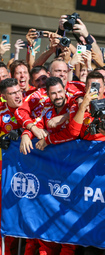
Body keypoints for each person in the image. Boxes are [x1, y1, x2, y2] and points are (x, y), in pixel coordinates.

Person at [0, 78, 23, 255]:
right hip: (5, 175)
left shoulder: (32, 107)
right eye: (12, 93)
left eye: (19, 91)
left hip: (33, 174)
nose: (18, 95)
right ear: (3, 96)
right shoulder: (1, 113)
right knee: (6, 219)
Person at [68, 71, 105, 141]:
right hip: (86, 149)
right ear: (85, 89)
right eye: (92, 87)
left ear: (104, 88)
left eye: (98, 87)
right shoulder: (77, 106)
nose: (95, 90)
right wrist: (83, 106)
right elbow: (73, 132)